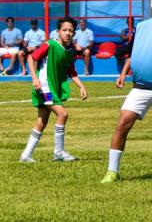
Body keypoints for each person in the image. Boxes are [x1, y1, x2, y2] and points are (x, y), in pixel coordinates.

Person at [19, 16, 88, 163]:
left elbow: (72, 72)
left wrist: (81, 86)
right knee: (63, 114)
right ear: (58, 31)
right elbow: (31, 58)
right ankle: (58, 152)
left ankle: (26, 155)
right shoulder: (49, 44)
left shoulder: (68, 51)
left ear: (74, 33)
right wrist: (34, 78)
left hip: (51, 89)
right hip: (44, 87)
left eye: (70, 30)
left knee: (41, 121)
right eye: (64, 30)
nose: (67, 33)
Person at [100, 18, 152, 183]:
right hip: (141, 86)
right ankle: (112, 172)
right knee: (122, 125)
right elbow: (133, 53)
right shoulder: (142, 27)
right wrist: (123, 73)